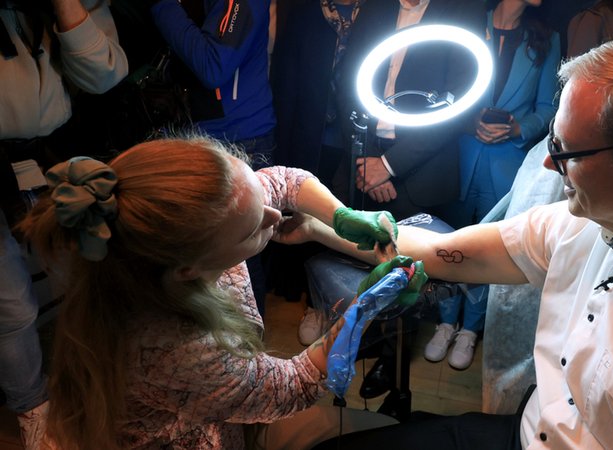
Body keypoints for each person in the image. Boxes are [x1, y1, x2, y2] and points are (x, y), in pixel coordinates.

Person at [288, 35, 613, 449]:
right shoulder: (589, 220)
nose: (550, 164)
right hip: (530, 431)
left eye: (564, 149)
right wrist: (318, 222)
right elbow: (437, 252)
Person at [16, 135, 426, 449]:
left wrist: (339, 214)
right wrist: (361, 309)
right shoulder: (175, 348)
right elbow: (293, 386)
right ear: (190, 270)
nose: (273, 216)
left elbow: (282, 182)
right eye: (252, 229)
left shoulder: (188, 227)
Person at [0, 0, 128, 447]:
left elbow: (105, 74)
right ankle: (33, 411)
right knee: (11, 306)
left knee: (86, 281)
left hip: (58, 160)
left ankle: (97, 387)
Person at [426, 0, 560, 371]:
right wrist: (469, 124)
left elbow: (549, 108)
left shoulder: (546, 39)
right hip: (456, 154)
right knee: (447, 238)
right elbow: (441, 88)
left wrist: (518, 129)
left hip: (507, 162)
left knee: (487, 246)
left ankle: (470, 329)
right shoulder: (466, 23)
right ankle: (445, 321)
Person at [147, 0, 277, 310]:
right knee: (209, 253)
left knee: (241, 255)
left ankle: (249, 349)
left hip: (242, 140)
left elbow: (213, 66)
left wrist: (162, 5)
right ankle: (224, 343)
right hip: (203, 137)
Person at [269, 0, 367, 340]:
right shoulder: (306, 12)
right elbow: (286, 80)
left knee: (346, 220)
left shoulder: (376, 13)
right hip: (310, 134)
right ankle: (313, 304)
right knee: (310, 218)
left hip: (357, 138)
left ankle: (341, 306)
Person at [336, 0, 486, 219]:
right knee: (336, 246)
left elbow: (455, 109)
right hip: (361, 165)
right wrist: (368, 161)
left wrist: (387, 166)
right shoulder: (377, 5)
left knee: (404, 252)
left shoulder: (464, 9)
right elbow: (349, 84)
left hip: (420, 179)